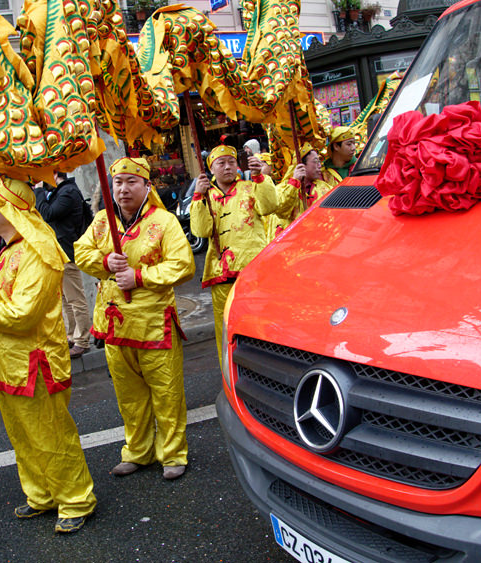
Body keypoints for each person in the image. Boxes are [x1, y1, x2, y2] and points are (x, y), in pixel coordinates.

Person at [0, 175, 96, 533]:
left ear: (8, 208)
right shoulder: (1, 247)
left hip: (35, 362)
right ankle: (41, 494)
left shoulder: (38, 250)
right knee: (22, 436)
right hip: (5, 361)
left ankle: (75, 498)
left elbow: (22, 314)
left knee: (51, 435)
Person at [75, 157, 196, 480]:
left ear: (146, 186)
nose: (124, 189)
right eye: (118, 182)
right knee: (129, 397)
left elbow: (183, 264)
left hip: (154, 324)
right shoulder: (102, 221)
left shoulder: (164, 222)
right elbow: (80, 252)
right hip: (115, 325)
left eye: (132, 182)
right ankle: (137, 451)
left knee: (167, 394)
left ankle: (172, 453)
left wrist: (139, 277)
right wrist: (105, 261)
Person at [190, 145, 277, 366]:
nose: (227, 166)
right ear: (211, 169)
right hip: (221, 274)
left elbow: (269, 206)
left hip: (252, 271)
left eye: (231, 161)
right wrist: (198, 197)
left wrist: (259, 178)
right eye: (221, 163)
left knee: (258, 325)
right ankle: (231, 375)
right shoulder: (207, 196)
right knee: (227, 330)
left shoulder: (250, 187)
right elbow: (201, 231)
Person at [35, 171, 92, 359]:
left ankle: (83, 340)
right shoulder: (62, 192)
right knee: (67, 299)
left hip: (67, 251)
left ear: (54, 174)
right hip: (59, 252)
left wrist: (39, 192)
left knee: (75, 298)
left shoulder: (68, 192)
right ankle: (72, 335)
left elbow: (47, 214)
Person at [269, 144, 339, 239]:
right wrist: (294, 183)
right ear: (301, 166)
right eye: (315, 162)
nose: (319, 166)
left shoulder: (325, 188)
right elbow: (281, 210)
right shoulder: (282, 188)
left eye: (319, 162)